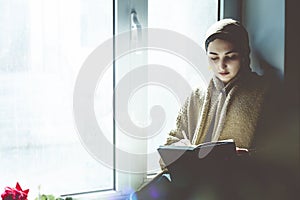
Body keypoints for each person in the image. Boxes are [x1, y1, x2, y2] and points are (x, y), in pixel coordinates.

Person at [131, 18, 271, 200]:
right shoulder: (198, 94)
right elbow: (174, 139)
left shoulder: (263, 93)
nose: (221, 66)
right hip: (192, 183)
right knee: (141, 196)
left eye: (230, 56)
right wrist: (184, 153)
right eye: (214, 57)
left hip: (236, 187)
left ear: (244, 55)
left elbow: (278, 153)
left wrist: (248, 158)